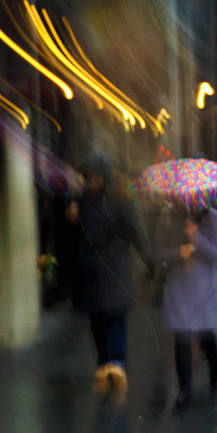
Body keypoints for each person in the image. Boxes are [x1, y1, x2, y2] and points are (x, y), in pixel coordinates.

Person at [67, 154, 152, 395]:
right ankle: (104, 361)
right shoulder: (80, 202)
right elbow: (72, 239)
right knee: (97, 319)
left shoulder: (119, 201)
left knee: (114, 316)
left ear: (105, 178)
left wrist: (148, 259)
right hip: (90, 272)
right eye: (90, 177)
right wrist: (71, 218)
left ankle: (116, 362)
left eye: (97, 177)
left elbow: (134, 232)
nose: (93, 181)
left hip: (115, 270)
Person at [153, 205, 217, 408]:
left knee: (206, 334)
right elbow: (157, 252)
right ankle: (185, 389)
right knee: (182, 337)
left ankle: (216, 372)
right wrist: (178, 252)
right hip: (179, 287)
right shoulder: (166, 216)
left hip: (205, 288)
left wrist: (196, 238)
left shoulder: (212, 216)